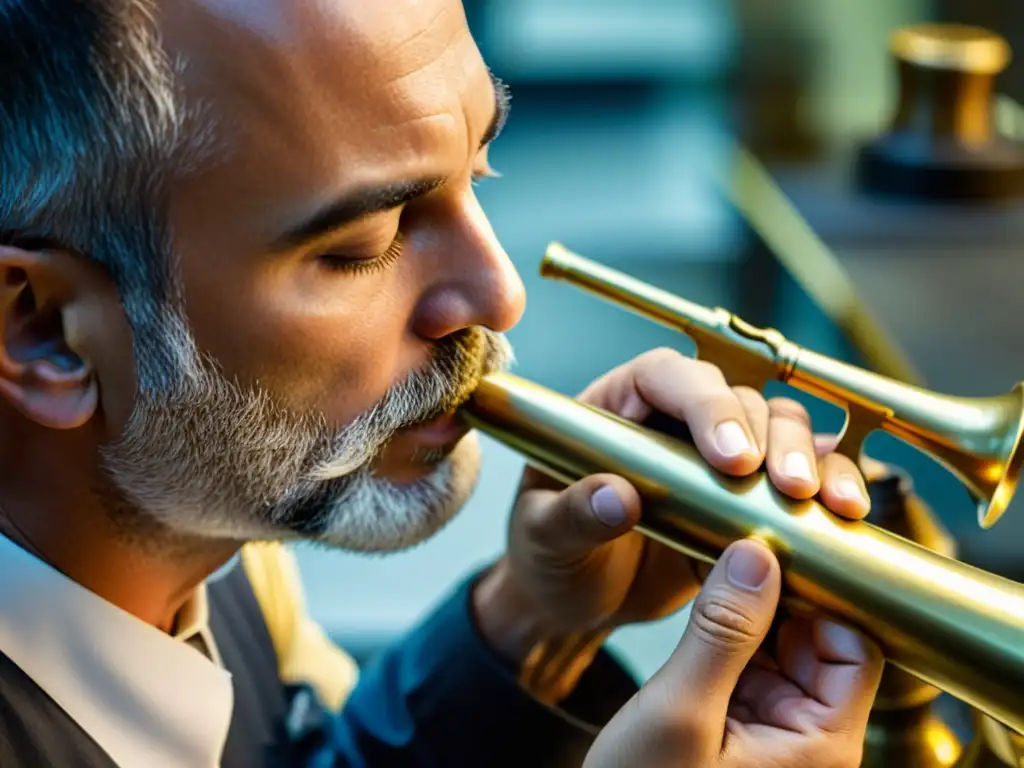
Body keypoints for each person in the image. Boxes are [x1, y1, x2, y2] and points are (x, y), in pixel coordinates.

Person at [0, 1, 884, 766]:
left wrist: (538, 624)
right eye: (363, 245)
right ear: (44, 333)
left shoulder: (195, 527)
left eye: (479, 171)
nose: (501, 294)